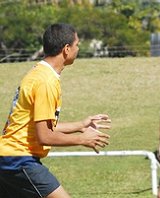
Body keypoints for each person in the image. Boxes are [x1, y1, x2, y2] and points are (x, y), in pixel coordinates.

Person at [0, 23, 111, 198]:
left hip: (8, 156)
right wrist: (82, 139)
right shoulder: (46, 81)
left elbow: (40, 127)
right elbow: (45, 136)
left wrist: (81, 125)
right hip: (18, 159)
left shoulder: (39, 74)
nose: (78, 48)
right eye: (77, 44)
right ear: (67, 49)